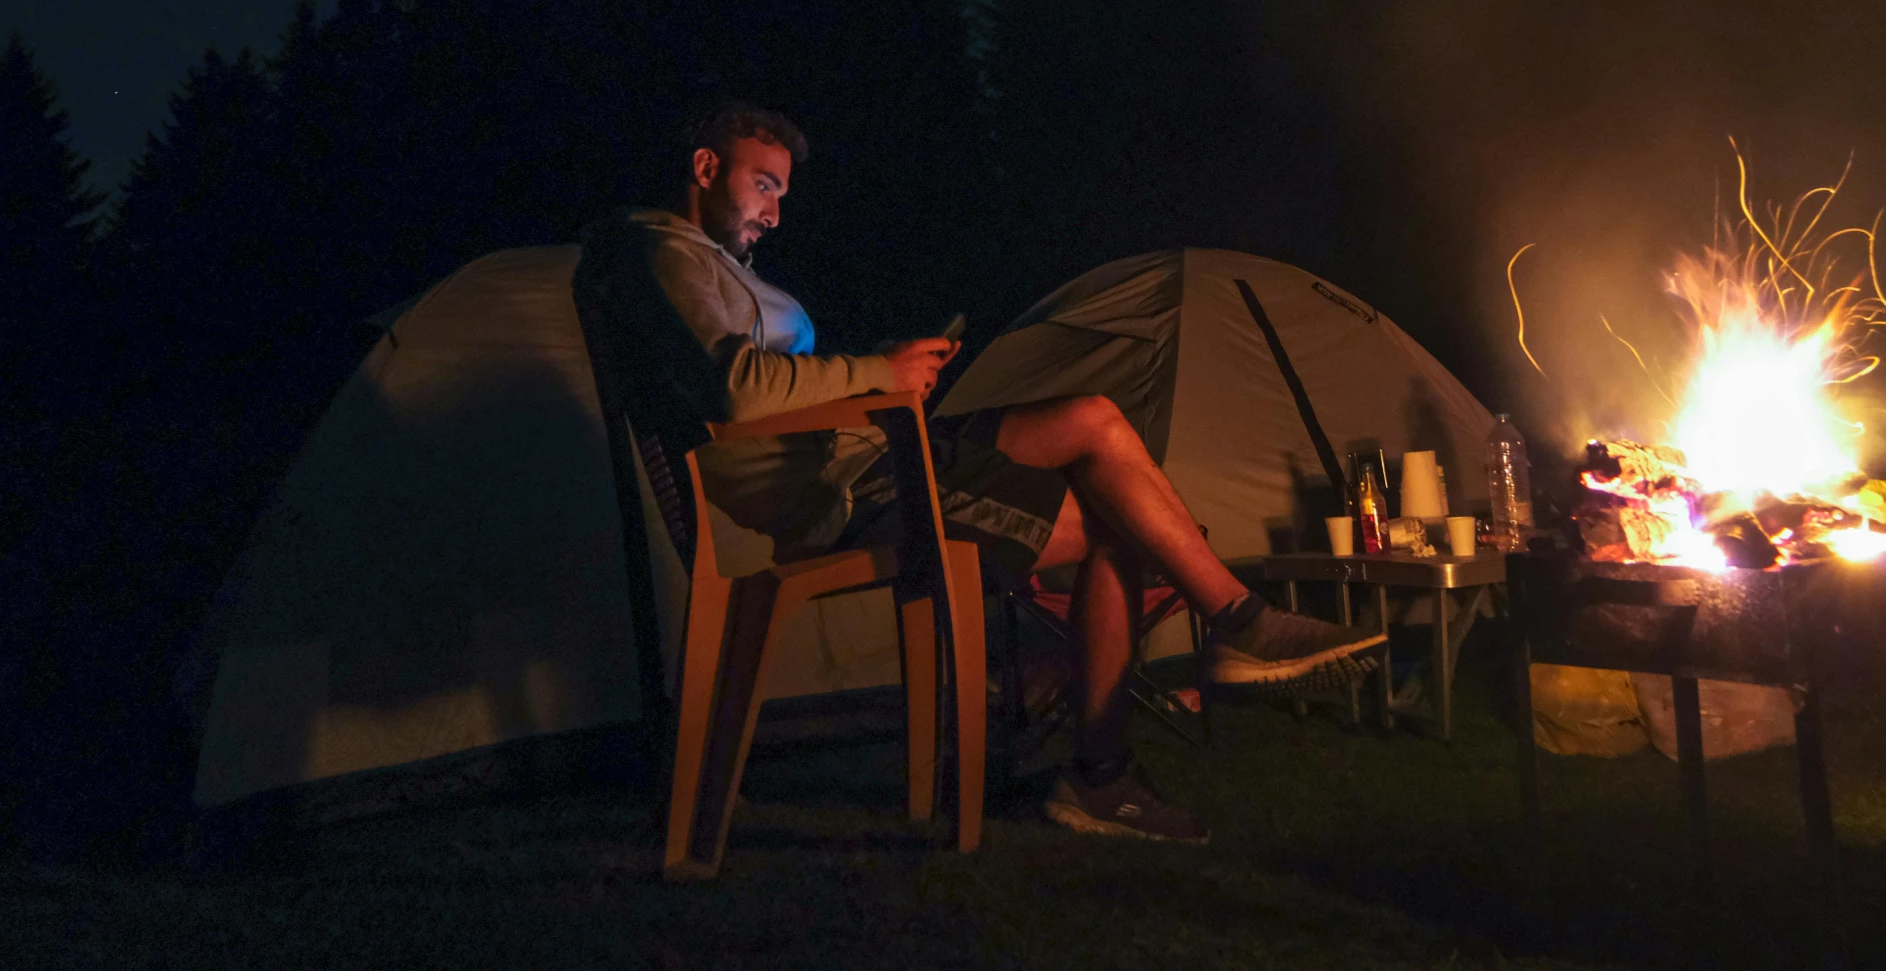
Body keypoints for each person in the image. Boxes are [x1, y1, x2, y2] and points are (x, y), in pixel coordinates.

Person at [586, 103, 1386, 843]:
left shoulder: (702, 262)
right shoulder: (666, 254)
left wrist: (887, 379)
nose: (774, 211)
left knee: (1099, 425)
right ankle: (1176, 691)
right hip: (849, 488)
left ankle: (1217, 639)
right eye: (763, 185)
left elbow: (761, 381)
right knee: (1117, 511)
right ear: (703, 167)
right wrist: (875, 373)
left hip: (869, 452)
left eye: (782, 193)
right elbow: (736, 389)